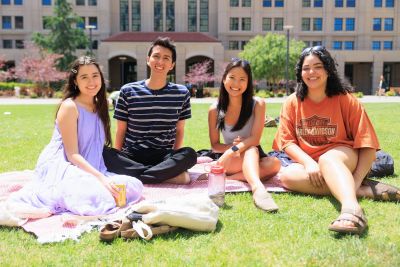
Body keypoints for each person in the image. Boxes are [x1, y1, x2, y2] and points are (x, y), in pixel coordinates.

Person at [273, 46, 400, 234]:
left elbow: (367, 145)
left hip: (344, 157)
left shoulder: (346, 100)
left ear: (328, 70)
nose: (311, 72)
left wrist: (356, 179)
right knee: (287, 177)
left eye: (318, 66)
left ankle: (352, 209)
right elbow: (287, 142)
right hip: (313, 165)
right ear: (300, 73)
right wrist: (308, 163)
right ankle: (364, 191)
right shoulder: (292, 102)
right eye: (306, 68)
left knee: (328, 159)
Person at [7, 56, 143, 217]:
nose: (91, 81)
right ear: (75, 82)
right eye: (84, 77)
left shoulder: (101, 104)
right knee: (96, 195)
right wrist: (101, 178)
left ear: (101, 77)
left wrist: (102, 176)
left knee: (134, 185)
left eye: (95, 75)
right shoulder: (70, 107)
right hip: (63, 164)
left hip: (92, 166)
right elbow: (72, 155)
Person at [103, 37, 197, 184]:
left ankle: (138, 175)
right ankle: (161, 175)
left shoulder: (181, 92)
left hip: (163, 155)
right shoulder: (128, 90)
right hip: (132, 154)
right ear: (148, 60)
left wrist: (174, 156)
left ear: (172, 65)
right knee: (105, 153)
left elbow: (179, 130)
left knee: (190, 154)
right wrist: (118, 156)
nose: (160, 62)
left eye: (166, 58)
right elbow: (120, 130)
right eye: (156, 56)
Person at [208, 58, 281, 212]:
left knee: (274, 163)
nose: (236, 84)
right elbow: (215, 145)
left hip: (247, 155)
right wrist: (231, 148)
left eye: (242, 79)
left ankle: (228, 179)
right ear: (224, 79)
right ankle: (258, 189)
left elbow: (255, 139)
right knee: (251, 149)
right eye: (232, 78)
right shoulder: (214, 109)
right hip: (229, 158)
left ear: (248, 82)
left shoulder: (258, 104)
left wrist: (236, 148)